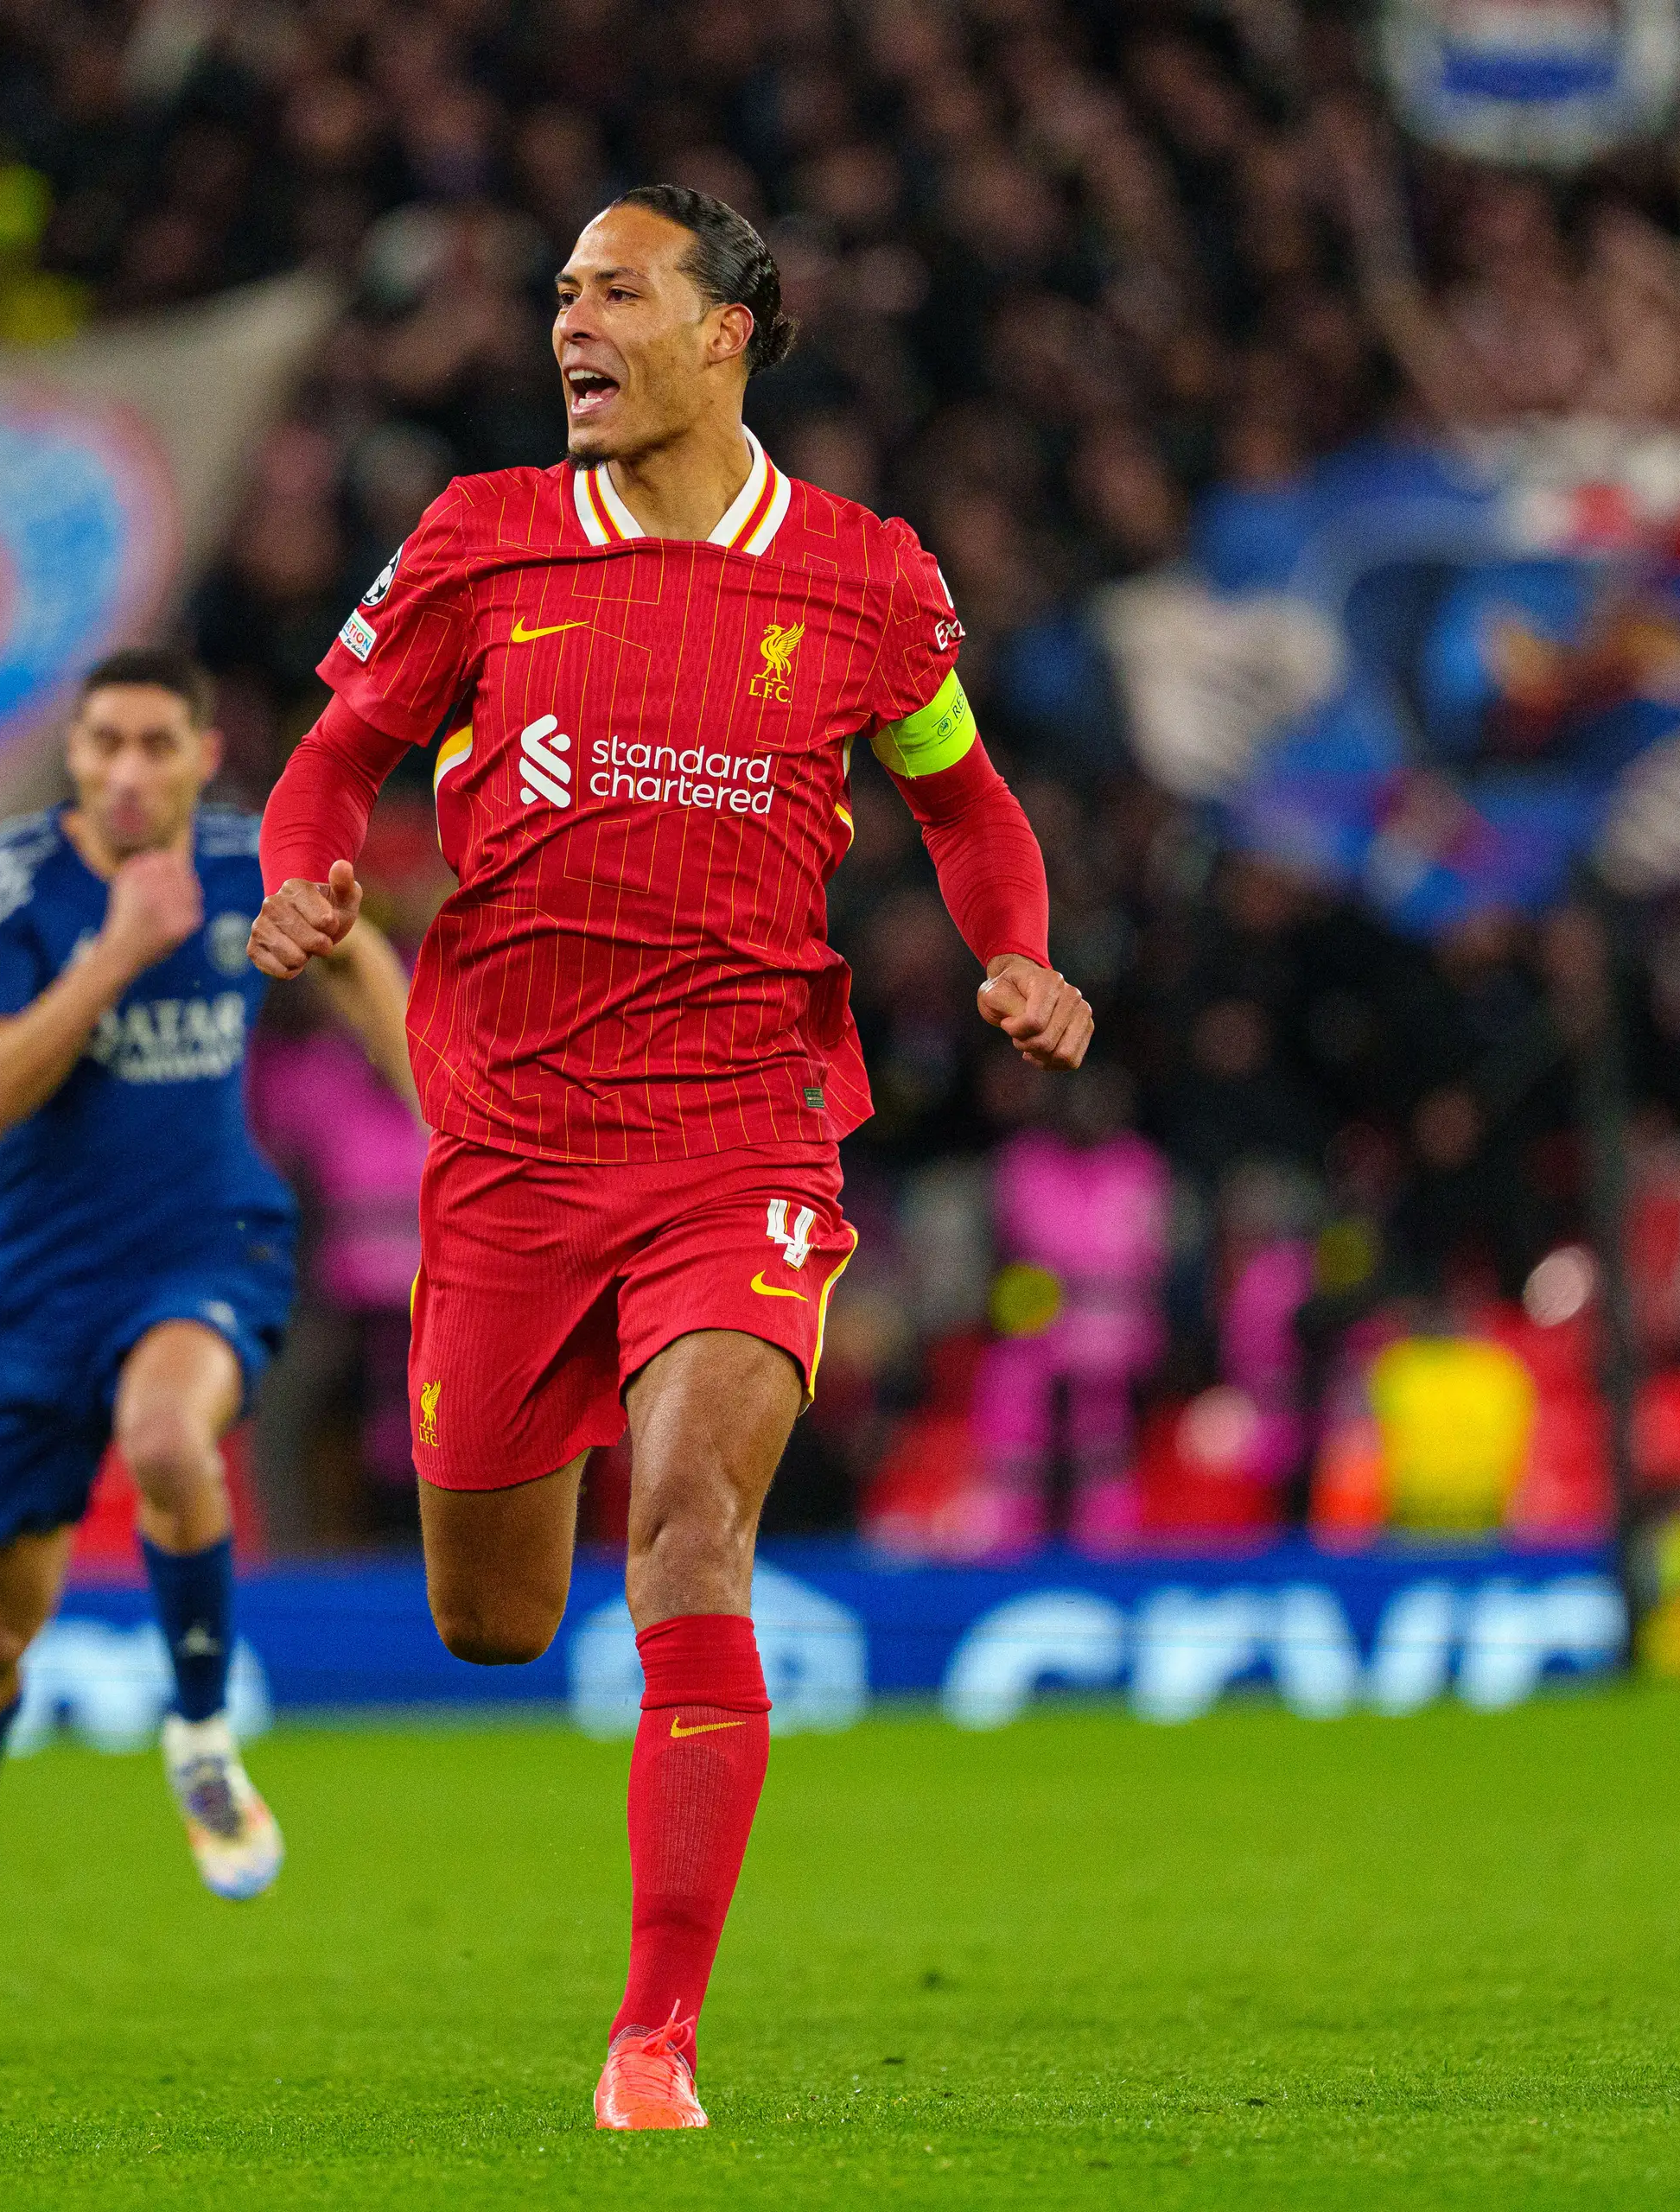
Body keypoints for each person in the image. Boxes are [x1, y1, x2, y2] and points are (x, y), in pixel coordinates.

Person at [251, 185, 1091, 2129]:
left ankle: (655, 2035)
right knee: (492, 1612)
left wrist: (1020, 953)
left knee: (692, 1520)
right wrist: (303, 881)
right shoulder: (480, 539)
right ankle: (419, 1074)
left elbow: (968, 807)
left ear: (727, 329)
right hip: (517, 1144)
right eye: (556, 293)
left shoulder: (869, 579)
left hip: (746, 1125)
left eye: (613, 291)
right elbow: (327, 763)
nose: (568, 323)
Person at [0, 646, 416, 2016]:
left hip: (204, 1244)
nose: (127, 770)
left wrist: (451, 1127)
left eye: (157, 744)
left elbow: (356, 965)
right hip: (37, 1291)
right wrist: (115, 956)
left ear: (204, 755)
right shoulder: (7, 889)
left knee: (169, 1439)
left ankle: (204, 1737)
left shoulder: (246, 867)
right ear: (73, 754)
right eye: (104, 742)